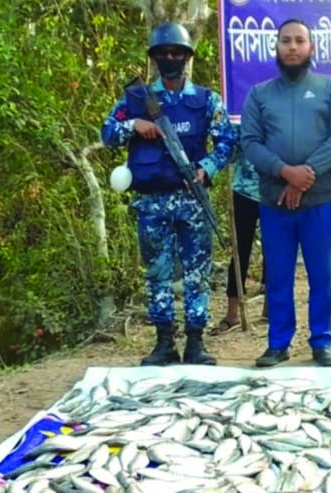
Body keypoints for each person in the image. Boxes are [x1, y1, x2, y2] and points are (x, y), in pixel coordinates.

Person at [101, 22, 236, 366]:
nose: (170, 58)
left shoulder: (206, 100)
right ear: (154, 58)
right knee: (157, 273)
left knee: (197, 273)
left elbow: (227, 141)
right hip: (152, 202)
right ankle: (164, 343)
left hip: (192, 199)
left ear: (188, 57)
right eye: (163, 53)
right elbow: (107, 132)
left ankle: (195, 342)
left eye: (177, 52)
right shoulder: (136, 99)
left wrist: (207, 167)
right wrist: (133, 125)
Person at [240, 18, 331, 368]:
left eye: (299, 41)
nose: (292, 47)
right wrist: (285, 173)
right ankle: (279, 343)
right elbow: (250, 143)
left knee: (322, 275)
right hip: (275, 201)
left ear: (311, 48)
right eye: (285, 41)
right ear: (276, 48)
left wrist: (306, 175)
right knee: (279, 275)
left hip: (319, 199)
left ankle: (321, 341)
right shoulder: (259, 95)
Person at [210, 126, 267, 335]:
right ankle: (232, 313)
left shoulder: (279, 104)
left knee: (276, 250)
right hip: (244, 189)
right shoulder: (239, 110)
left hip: (275, 188)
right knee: (239, 250)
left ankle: (270, 307)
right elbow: (229, 152)